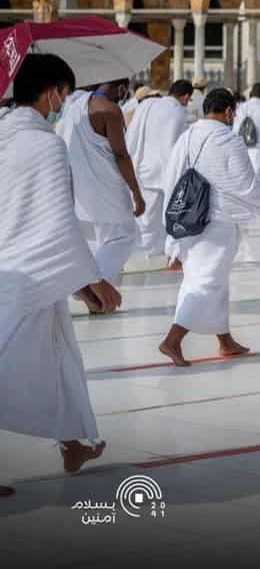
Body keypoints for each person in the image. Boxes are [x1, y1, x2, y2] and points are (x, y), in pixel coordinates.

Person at [1, 55, 122, 493]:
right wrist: (92, 281)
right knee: (7, 367)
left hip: (23, 268)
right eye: (64, 95)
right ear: (52, 91)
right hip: (29, 276)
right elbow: (57, 222)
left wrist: (77, 280)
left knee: (60, 358)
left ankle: (73, 441)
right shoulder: (44, 144)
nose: (63, 105)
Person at [157, 89, 260, 367]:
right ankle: (172, 339)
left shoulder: (187, 137)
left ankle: (225, 340)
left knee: (209, 281)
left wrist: (171, 222)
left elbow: (171, 178)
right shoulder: (227, 140)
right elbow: (245, 184)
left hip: (188, 221)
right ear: (230, 112)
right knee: (207, 281)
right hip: (216, 223)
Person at [60, 79, 146, 291]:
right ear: (121, 88)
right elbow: (120, 154)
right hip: (107, 186)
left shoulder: (74, 107)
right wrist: (136, 192)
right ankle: (92, 287)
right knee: (125, 235)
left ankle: (92, 290)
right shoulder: (110, 110)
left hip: (79, 187)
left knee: (96, 241)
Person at [126, 80, 193, 263]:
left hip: (144, 167)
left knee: (145, 217)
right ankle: (159, 253)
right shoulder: (178, 112)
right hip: (168, 171)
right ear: (185, 97)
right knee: (167, 215)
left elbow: (132, 135)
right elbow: (180, 148)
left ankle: (141, 252)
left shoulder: (148, 104)